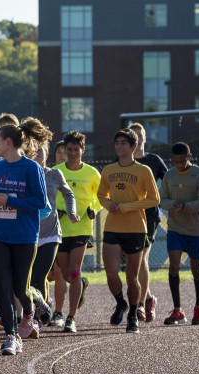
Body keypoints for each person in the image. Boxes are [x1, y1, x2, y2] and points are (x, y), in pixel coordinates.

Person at [0, 119, 52, 355]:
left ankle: (31, 306)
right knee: (3, 287)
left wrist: (10, 201)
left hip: (25, 236)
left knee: (20, 288)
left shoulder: (31, 168)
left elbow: (40, 202)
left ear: (7, 142)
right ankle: (11, 335)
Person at [97, 128, 160, 334]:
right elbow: (101, 195)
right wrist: (109, 205)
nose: (120, 146)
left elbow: (154, 199)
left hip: (136, 229)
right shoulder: (108, 170)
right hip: (113, 227)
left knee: (132, 277)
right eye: (117, 143)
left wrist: (128, 206)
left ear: (133, 146)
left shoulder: (143, 171)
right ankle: (120, 303)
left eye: (124, 143)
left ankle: (133, 314)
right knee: (111, 273)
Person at [158, 142, 199, 325]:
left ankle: (198, 306)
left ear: (189, 157)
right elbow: (161, 199)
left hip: (196, 230)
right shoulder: (169, 175)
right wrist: (173, 205)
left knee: (196, 269)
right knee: (173, 266)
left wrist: (185, 206)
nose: (179, 165)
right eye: (175, 162)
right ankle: (178, 310)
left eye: (182, 161)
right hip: (175, 229)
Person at [28, 140, 77, 336]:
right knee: (28, 278)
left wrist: (72, 212)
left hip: (50, 234)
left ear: (47, 152)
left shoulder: (55, 174)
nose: (38, 154)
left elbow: (68, 194)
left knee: (39, 275)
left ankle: (37, 320)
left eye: (41, 150)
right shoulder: (26, 173)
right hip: (29, 233)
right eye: (34, 150)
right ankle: (35, 311)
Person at [52, 130, 100, 332]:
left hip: (81, 227)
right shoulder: (56, 171)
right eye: (68, 149)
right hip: (60, 229)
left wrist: (93, 210)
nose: (72, 153)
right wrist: (57, 210)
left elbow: (101, 198)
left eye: (75, 149)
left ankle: (71, 318)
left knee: (74, 269)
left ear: (83, 150)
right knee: (64, 274)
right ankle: (81, 283)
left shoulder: (91, 173)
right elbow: (48, 197)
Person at [128, 122, 169, 322]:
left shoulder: (154, 160)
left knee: (141, 257)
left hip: (150, 217)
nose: (138, 138)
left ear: (144, 138)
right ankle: (149, 297)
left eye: (140, 134)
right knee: (131, 261)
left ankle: (141, 305)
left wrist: (171, 202)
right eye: (133, 135)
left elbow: (169, 180)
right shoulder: (123, 161)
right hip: (128, 216)